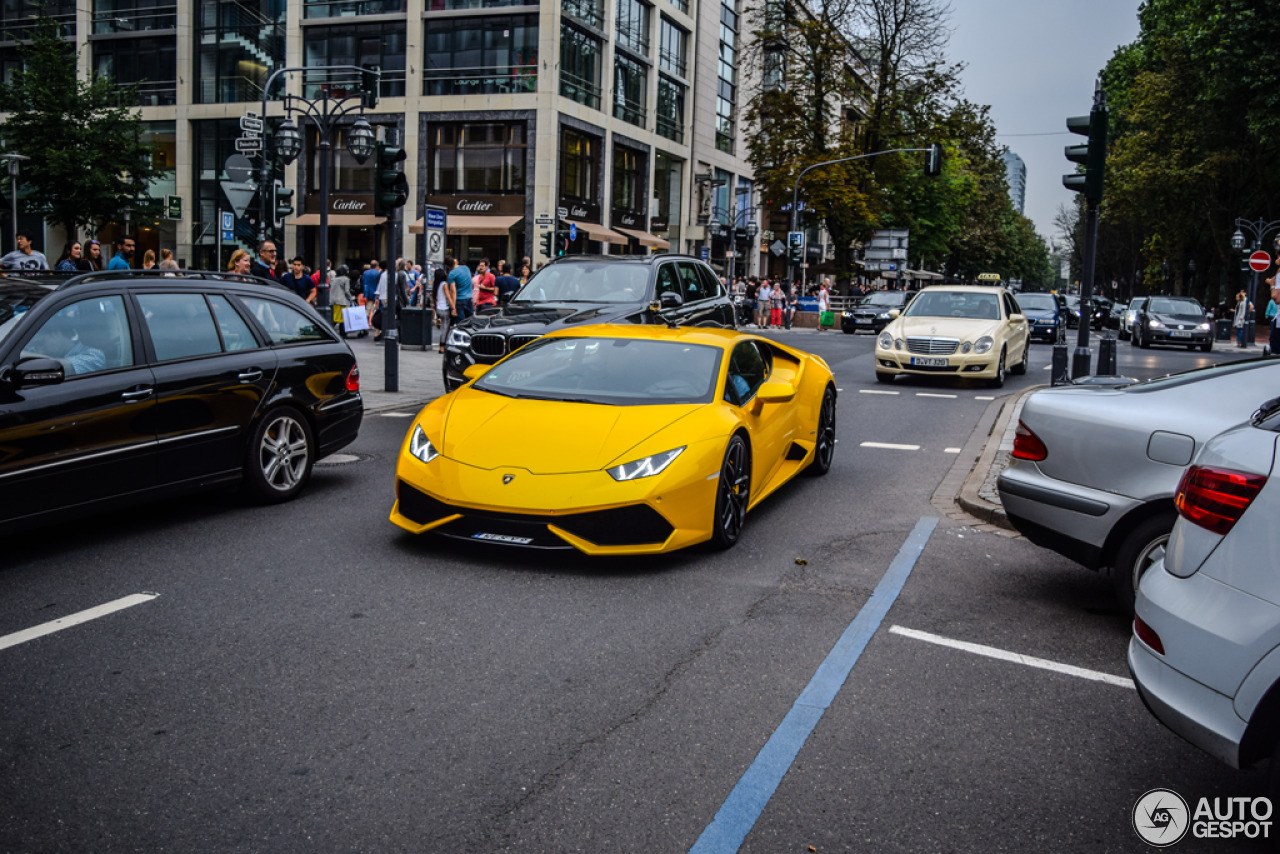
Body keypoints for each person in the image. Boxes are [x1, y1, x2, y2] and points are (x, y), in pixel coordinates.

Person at [30, 312, 105, 376]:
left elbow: (57, 366)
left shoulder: (94, 355)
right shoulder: (55, 354)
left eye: (40, 344)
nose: (40, 351)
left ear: (56, 334)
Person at [432, 266, 455, 354]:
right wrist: (453, 307)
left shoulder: (436, 285)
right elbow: (448, 297)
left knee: (443, 328)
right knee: (445, 329)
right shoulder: (444, 284)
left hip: (438, 309)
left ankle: (443, 346)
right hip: (444, 309)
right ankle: (442, 348)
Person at [447, 255, 474, 321]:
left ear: (447, 266)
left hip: (460, 299)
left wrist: (453, 308)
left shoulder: (452, 273)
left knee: (461, 322)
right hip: (469, 298)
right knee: (470, 321)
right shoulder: (466, 268)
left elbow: (453, 291)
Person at [331, 264, 352, 335]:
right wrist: (350, 298)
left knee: (336, 317)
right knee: (343, 318)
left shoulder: (333, 279)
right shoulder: (346, 279)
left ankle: (331, 329)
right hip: (342, 301)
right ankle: (343, 333)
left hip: (334, 301)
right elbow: (347, 291)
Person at [362, 260, 381, 325]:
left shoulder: (365, 273)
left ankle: (365, 323)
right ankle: (374, 323)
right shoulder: (378, 273)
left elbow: (363, 282)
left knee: (368, 309)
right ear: (376, 266)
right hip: (376, 292)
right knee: (376, 309)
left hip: (368, 292)